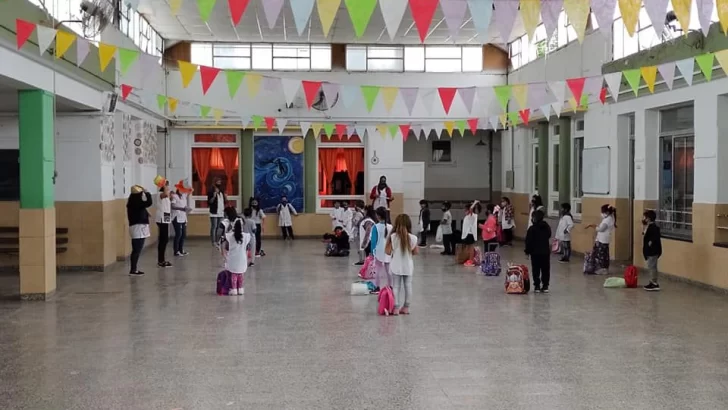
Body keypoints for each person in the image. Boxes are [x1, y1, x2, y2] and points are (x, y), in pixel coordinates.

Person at [385, 214, 419, 315]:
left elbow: (387, 251)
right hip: (408, 265)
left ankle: (396, 308)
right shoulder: (413, 238)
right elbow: (416, 252)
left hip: (396, 265)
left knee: (396, 286)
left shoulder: (393, 237)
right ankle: (406, 307)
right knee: (408, 286)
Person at [222, 213, 251, 296]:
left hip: (232, 258)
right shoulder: (246, 236)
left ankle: (234, 289)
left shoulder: (229, 236)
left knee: (233, 274)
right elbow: (247, 247)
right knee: (240, 274)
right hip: (242, 258)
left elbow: (225, 245)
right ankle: (240, 289)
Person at [126, 185, 153, 276]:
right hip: (138, 227)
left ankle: (134, 269)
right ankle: (133, 270)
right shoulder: (137, 203)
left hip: (138, 227)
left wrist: (146, 212)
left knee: (137, 249)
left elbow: (143, 207)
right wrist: (147, 193)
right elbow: (149, 202)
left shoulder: (133, 202)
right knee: (137, 249)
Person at [525, 209, 552, 293]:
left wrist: (527, 252)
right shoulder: (546, 227)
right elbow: (549, 235)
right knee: (545, 269)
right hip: (545, 252)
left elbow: (528, 241)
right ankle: (545, 286)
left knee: (536, 269)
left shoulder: (532, 229)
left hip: (535, 252)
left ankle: (537, 286)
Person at [585, 204, 617, 275]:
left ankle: (603, 269)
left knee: (602, 254)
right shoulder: (610, 218)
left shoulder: (607, 220)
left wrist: (594, 227)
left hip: (603, 240)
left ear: (607, 212)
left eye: (603, 212)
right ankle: (603, 268)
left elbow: (601, 229)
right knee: (604, 254)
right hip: (604, 239)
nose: (602, 214)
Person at [370, 207, 394, 292]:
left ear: (378, 216)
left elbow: (373, 241)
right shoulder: (390, 226)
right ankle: (391, 286)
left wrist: (372, 252)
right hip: (388, 250)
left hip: (379, 250)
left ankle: (377, 287)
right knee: (389, 270)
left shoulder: (375, 227)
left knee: (377, 270)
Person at [642, 210, 662, 291]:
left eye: (645, 217)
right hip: (650, 251)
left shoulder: (654, 228)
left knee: (652, 267)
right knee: (650, 266)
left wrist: (650, 243)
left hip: (653, 251)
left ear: (649, 218)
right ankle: (651, 281)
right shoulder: (649, 226)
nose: (644, 219)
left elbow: (654, 238)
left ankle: (654, 283)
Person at [171, 183, 192, 257]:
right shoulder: (174, 196)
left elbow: (190, 190)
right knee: (178, 234)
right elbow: (172, 206)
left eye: (184, 190)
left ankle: (181, 250)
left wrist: (187, 208)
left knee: (183, 234)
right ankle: (176, 251)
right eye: (182, 190)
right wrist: (182, 209)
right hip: (176, 217)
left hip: (183, 217)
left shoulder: (183, 196)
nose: (183, 191)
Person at [155, 184, 172, 268]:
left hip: (166, 217)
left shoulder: (166, 196)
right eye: (167, 189)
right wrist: (164, 186)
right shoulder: (160, 194)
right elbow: (164, 194)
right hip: (161, 218)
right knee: (163, 239)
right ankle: (161, 260)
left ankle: (162, 259)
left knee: (165, 239)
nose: (169, 190)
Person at [460, 200, 481, 267]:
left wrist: (474, 203)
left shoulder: (472, 215)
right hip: (467, 234)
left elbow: (471, 208)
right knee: (469, 248)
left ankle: (471, 260)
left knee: (471, 248)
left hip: (470, 234)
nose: (464, 211)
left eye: (466, 210)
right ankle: (469, 259)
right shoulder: (468, 216)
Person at [207, 179, 226, 246]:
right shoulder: (211, 192)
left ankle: (218, 240)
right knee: (214, 226)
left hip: (221, 212)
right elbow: (209, 202)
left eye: (220, 182)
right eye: (218, 182)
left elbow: (224, 202)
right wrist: (214, 196)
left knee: (219, 227)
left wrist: (225, 197)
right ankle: (213, 241)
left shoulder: (221, 192)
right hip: (214, 212)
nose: (219, 183)